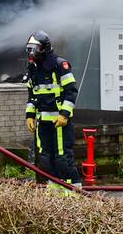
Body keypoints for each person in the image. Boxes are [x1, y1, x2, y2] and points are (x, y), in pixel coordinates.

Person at [25, 31, 81, 190]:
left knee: (62, 158)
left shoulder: (59, 65)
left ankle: (74, 191)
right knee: (45, 158)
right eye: (29, 49)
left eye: (33, 49)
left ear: (43, 48)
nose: (31, 53)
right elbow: (32, 96)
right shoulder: (33, 69)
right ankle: (55, 189)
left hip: (59, 123)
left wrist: (64, 115)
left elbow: (71, 92)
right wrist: (29, 116)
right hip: (42, 123)